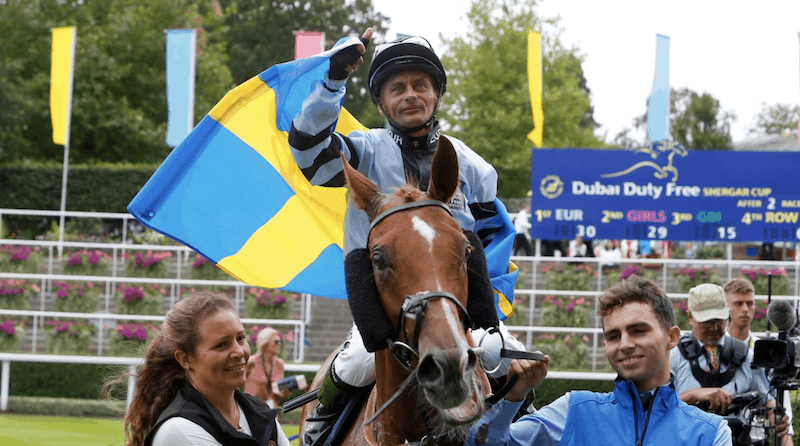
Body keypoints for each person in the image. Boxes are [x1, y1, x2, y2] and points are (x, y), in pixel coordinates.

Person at [288, 28, 525, 445]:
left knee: (506, 358)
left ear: (437, 95)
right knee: (355, 364)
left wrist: (490, 315)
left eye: (421, 85)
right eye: (397, 88)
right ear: (381, 102)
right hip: (381, 299)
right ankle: (317, 432)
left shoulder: (472, 166)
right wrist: (333, 83)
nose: (410, 94)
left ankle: (524, 426)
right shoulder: (364, 149)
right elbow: (308, 153)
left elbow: (494, 239)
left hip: (458, 307)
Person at [464, 275, 732, 445]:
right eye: (614, 335)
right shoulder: (572, 410)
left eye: (638, 330)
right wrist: (513, 398)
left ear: (672, 337)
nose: (625, 344)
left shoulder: (712, 433)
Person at [120, 292, 291, 446]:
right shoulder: (179, 431)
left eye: (240, 338)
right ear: (186, 359)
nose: (239, 352)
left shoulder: (260, 412)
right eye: (221, 345)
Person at [670, 283, 789, 443]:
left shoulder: (747, 356)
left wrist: (774, 416)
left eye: (719, 320)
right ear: (690, 317)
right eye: (707, 321)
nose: (714, 327)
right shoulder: (673, 357)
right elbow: (656, 409)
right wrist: (693, 395)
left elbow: (766, 397)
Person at [723, 278, 794, 446]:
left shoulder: (769, 352)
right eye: (738, 303)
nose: (745, 309)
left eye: (750, 303)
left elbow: (784, 422)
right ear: (726, 307)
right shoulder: (716, 350)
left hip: (761, 438)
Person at [244, 328, 290, 409]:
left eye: (280, 341)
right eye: (276, 342)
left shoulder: (279, 364)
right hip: (252, 408)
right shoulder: (251, 362)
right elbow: (234, 385)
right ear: (265, 342)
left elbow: (281, 394)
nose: (279, 344)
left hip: (272, 411)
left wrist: (285, 391)